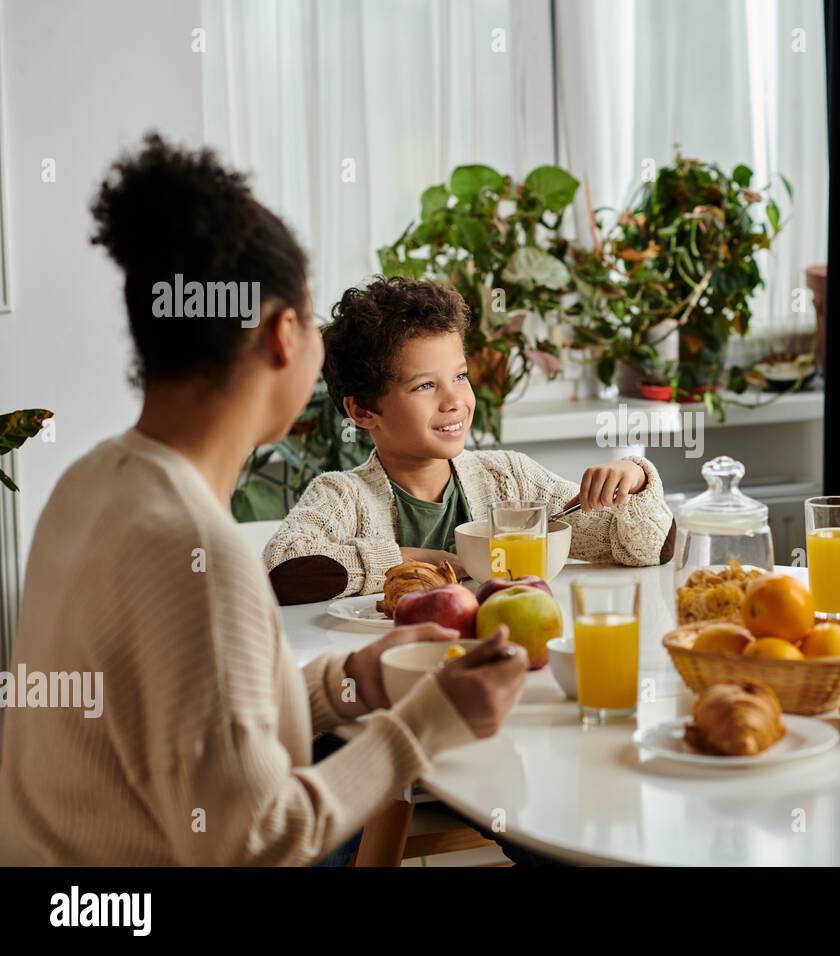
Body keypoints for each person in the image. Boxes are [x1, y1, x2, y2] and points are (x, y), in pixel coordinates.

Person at [0, 134, 527, 865]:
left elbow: (201, 724)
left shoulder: (92, 481)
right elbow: (255, 842)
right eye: (313, 326)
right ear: (284, 337)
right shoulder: (195, 552)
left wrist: (353, 679)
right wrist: (428, 726)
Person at [261, 275, 675, 603]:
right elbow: (284, 570)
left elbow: (646, 548)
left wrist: (634, 480)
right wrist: (416, 561)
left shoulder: (508, 479)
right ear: (362, 411)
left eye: (460, 376)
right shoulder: (342, 496)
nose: (455, 401)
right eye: (425, 386)